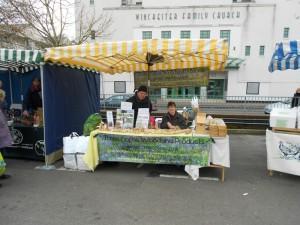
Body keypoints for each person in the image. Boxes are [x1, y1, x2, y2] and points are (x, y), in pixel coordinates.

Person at [0, 90, 12, 188]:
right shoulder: (2, 104)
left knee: (1, 157)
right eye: (3, 97)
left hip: (2, 134)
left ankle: (1, 173)